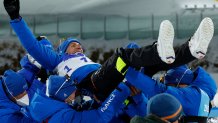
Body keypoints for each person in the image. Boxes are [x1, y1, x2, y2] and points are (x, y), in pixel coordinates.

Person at [3, 0, 214, 101]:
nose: (79, 46)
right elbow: (32, 45)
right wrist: (15, 18)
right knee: (122, 57)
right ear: (64, 49)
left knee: (147, 62)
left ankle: (190, 50)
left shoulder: (86, 59)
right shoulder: (56, 60)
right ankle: (159, 51)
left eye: (79, 44)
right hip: (91, 85)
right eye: (73, 44)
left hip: (111, 80)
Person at [125, 65, 217, 122]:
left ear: (181, 83)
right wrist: (138, 99)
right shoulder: (199, 97)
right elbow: (153, 117)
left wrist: (126, 71)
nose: (170, 89)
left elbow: (159, 91)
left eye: (170, 85)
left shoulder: (193, 97)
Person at [29, 75, 131, 123]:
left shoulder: (50, 110)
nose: (78, 95)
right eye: (75, 93)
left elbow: (78, 111)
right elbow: (99, 117)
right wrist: (120, 91)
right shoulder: (64, 117)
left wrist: (93, 103)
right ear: (65, 96)